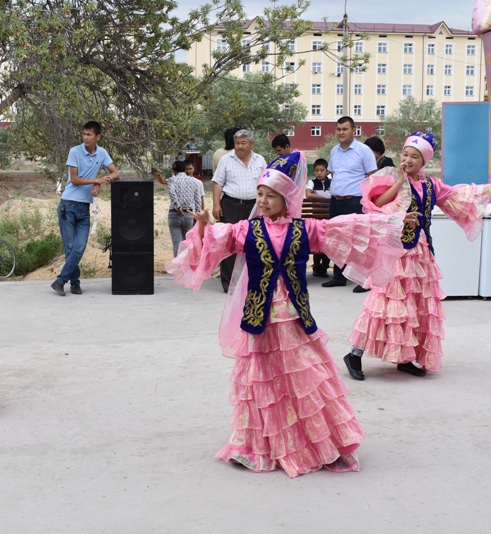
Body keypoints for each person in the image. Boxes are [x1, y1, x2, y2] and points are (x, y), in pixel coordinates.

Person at [166, 155, 411, 477]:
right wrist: (202, 225)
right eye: (260, 194)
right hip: (260, 319)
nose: (263, 201)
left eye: (270, 195)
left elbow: (351, 228)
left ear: (287, 198)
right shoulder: (245, 230)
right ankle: (259, 444)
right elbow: (214, 241)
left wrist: (392, 223)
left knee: (305, 377)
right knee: (263, 380)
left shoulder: (306, 229)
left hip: (294, 318)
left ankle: (320, 441)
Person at [342, 131, 491, 381]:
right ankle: (354, 353)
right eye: (405, 154)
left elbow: (457, 195)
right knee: (383, 302)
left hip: (421, 253)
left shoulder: (432, 185)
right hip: (397, 251)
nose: (408, 160)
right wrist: (399, 181)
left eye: (414, 157)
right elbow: (376, 201)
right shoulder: (391, 178)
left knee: (417, 304)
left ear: (424, 162)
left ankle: (406, 357)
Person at [52, 120, 120, 296]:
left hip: (84, 207)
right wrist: (95, 181)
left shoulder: (102, 153)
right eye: (84, 134)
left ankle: (61, 281)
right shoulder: (75, 151)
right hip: (68, 204)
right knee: (70, 247)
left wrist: (102, 181)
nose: (86, 137)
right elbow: (74, 179)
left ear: (98, 137)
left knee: (80, 246)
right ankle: (74, 282)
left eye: (89, 134)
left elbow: (116, 173)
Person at [323, 116, 378, 293]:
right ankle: (339, 276)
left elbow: (373, 177)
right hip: (336, 201)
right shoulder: (334, 151)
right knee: (337, 240)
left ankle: (362, 280)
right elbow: (334, 173)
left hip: (355, 201)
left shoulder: (364, 151)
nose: (341, 132)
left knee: (359, 241)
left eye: (345, 129)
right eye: (338, 129)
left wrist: (370, 203)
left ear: (354, 130)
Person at [211, 129, 267, 292]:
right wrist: (216, 205)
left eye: (243, 143)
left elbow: (266, 182)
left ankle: (252, 282)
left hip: (254, 207)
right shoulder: (226, 160)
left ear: (252, 144)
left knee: (254, 242)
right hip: (231, 205)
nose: (240, 147)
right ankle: (229, 284)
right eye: (237, 143)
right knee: (229, 242)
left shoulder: (260, 160)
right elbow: (217, 183)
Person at [167, 160, 205, 257]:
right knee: (188, 242)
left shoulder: (171, 180)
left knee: (177, 243)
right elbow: (197, 200)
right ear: (184, 170)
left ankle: (178, 267)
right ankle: (187, 265)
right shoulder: (194, 182)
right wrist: (198, 214)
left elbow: (172, 194)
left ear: (174, 171)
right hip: (189, 214)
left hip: (174, 214)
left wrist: (177, 206)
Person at [306, 158, 332, 277]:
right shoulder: (312, 182)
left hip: (329, 218)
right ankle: (316, 266)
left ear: (327, 171)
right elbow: (308, 194)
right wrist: (325, 197)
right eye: (317, 170)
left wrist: (318, 195)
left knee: (327, 242)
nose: (319, 173)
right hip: (316, 219)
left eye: (322, 170)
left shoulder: (332, 182)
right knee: (317, 240)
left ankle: (325, 266)